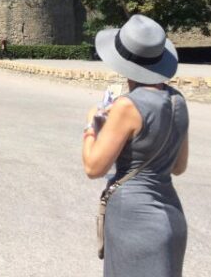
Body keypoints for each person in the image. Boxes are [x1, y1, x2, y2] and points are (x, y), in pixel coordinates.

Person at [82, 14, 189, 277]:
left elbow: (93, 166)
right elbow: (178, 166)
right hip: (171, 217)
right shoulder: (178, 101)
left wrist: (90, 126)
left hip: (134, 219)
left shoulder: (127, 106)